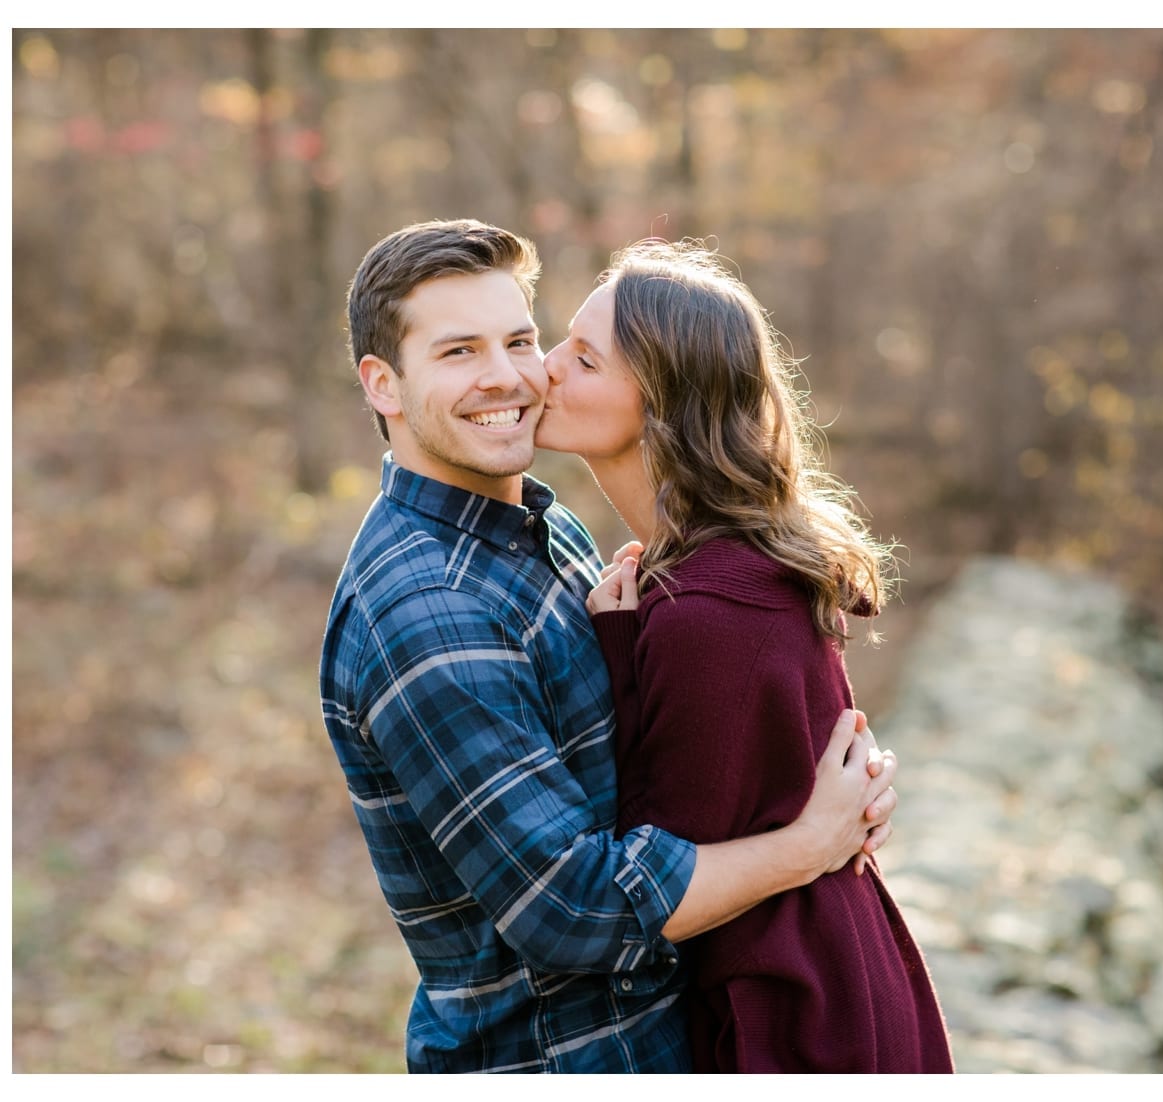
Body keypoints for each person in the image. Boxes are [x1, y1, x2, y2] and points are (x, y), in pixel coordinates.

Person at [318, 219, 902, 1073]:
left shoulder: (537, 534)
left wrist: (809, 754)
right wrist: (806, 843)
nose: (511, 374)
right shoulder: (428, 611)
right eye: (457, 353)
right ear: (384, 385)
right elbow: (570, 905)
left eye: (521, 338)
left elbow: (665, 758)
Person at [534, 239, 955, 1072]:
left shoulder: (714, 610)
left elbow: (658, 870)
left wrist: (623, 654)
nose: (543, 369)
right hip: (800, 981)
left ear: (661, 406)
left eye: (583, 359)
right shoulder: (699, 573)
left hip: (787, 1019)